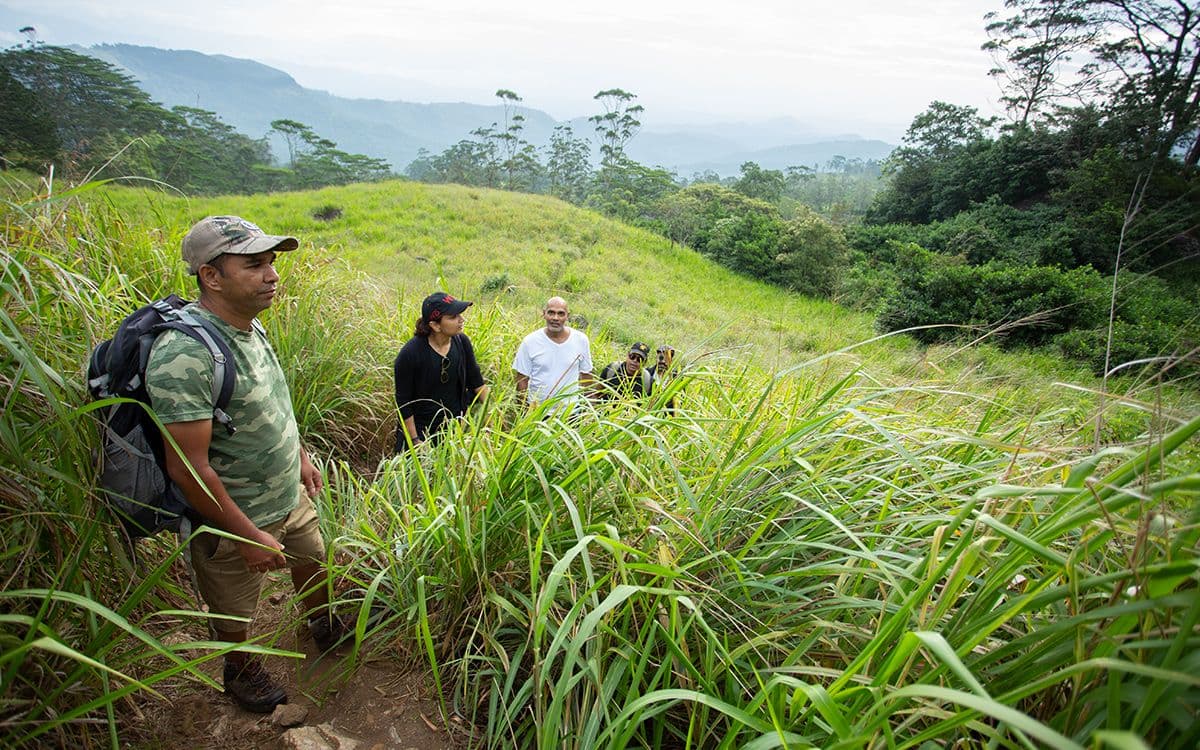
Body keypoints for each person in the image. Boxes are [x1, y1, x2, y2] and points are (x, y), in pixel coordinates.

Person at [145, 215, 343, 714]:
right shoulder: (185, 355)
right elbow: (187, 467)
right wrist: (244, 534)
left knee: (314, 561)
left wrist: (299, 455)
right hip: (233, 516)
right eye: (254, 265)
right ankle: (240, 666)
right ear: (212, 276)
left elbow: (272, 401)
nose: (272, 275)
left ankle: (322, 621)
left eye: (271, 263)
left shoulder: (249, 329)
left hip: (287, 493)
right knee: (233, 604)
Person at [393, 292, 489, 449]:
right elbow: (404, 403)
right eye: (453, 317)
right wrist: (416, 441)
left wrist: (493, 416)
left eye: (459, 315)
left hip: (453, 430)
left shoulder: (461, 343)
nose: (461, 320)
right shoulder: (410, 354)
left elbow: (477, 382)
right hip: (420, 432)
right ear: (435, 325)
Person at [512, 296, 594, 410]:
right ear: (544, 314)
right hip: (537, 413)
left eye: (561, 314)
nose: (555, 318)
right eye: (551, 313)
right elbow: (521, 380)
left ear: (567, 316)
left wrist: (589, 410)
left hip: (570, 413)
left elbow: (586, 377)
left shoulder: (581, 340)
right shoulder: (530, 342)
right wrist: (524, 413)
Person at [653, 344, 678, 412]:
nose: (663, 361)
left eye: (667, 357)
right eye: (660, 355)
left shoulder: (677, 377)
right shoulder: (648, 374)